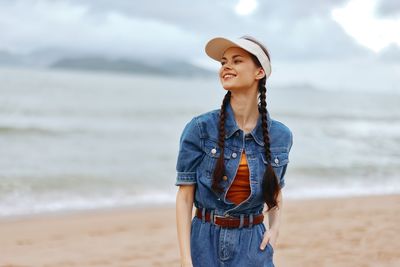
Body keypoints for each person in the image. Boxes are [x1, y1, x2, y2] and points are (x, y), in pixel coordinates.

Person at [175, 35, 293, 267]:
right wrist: (185, 260)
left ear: (259, 72)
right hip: (203, 241)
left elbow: (275, 190)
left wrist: (274, 229)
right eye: (223, 62)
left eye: (237, 61)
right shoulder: (199, 129)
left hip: (253, 242)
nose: (226, 67)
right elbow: (185, 196)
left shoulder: (281, 135)